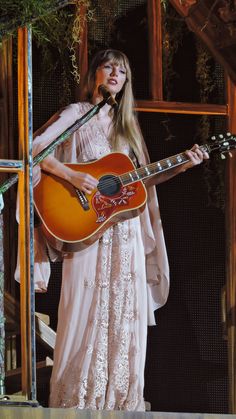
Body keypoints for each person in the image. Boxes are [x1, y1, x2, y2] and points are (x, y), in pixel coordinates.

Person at [18, 49, 209, 410]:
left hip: (126, 235)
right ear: (94, 75)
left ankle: (120, 400)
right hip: (89, 228)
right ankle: (79, 399)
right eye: (109, 66)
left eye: (123, 69)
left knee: (125, 312)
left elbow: (143, 181)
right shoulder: (77, 114)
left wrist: (184, 164)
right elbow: (35, 149)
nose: (116, 73)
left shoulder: (128, 126)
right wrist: (73, 175)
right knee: (85, 309)